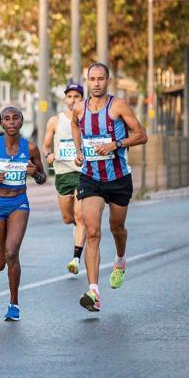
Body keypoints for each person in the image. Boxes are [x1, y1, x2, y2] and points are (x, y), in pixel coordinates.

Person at [70, 63, 147, 312]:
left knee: (117, 228)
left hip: (118, 179)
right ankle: (93, 292)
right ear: (87, 81)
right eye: (92, 79)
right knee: (92, 231)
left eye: (101, 79)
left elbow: (141, 135)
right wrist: (79, 151)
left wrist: (116, 144)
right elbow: (74, 124)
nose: (96, 83)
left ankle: (121, 259)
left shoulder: (118, 106)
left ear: (108, 81)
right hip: (91, 177)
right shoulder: (79, 108)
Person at [0, 106, 46, 321]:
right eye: (7, 119)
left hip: (18, 203)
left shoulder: (30, 148)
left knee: (11, 252)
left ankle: (14, 304)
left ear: (21, 122)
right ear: (1, 123)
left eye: (16, 118)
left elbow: (43, 179)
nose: (11, 122)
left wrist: (35, 174)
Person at [42, 82, 87, 274]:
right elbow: (45, 145)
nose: (73, 100)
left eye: (77, 96)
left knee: (80, 215)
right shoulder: (55, 120)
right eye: (70, 96)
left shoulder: (87, 119)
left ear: (82, 99)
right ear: (65, 99)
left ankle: (76, 258)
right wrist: (48, 155)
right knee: (68, 218)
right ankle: (79, 228)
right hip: (62, 174)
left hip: (84, 173)